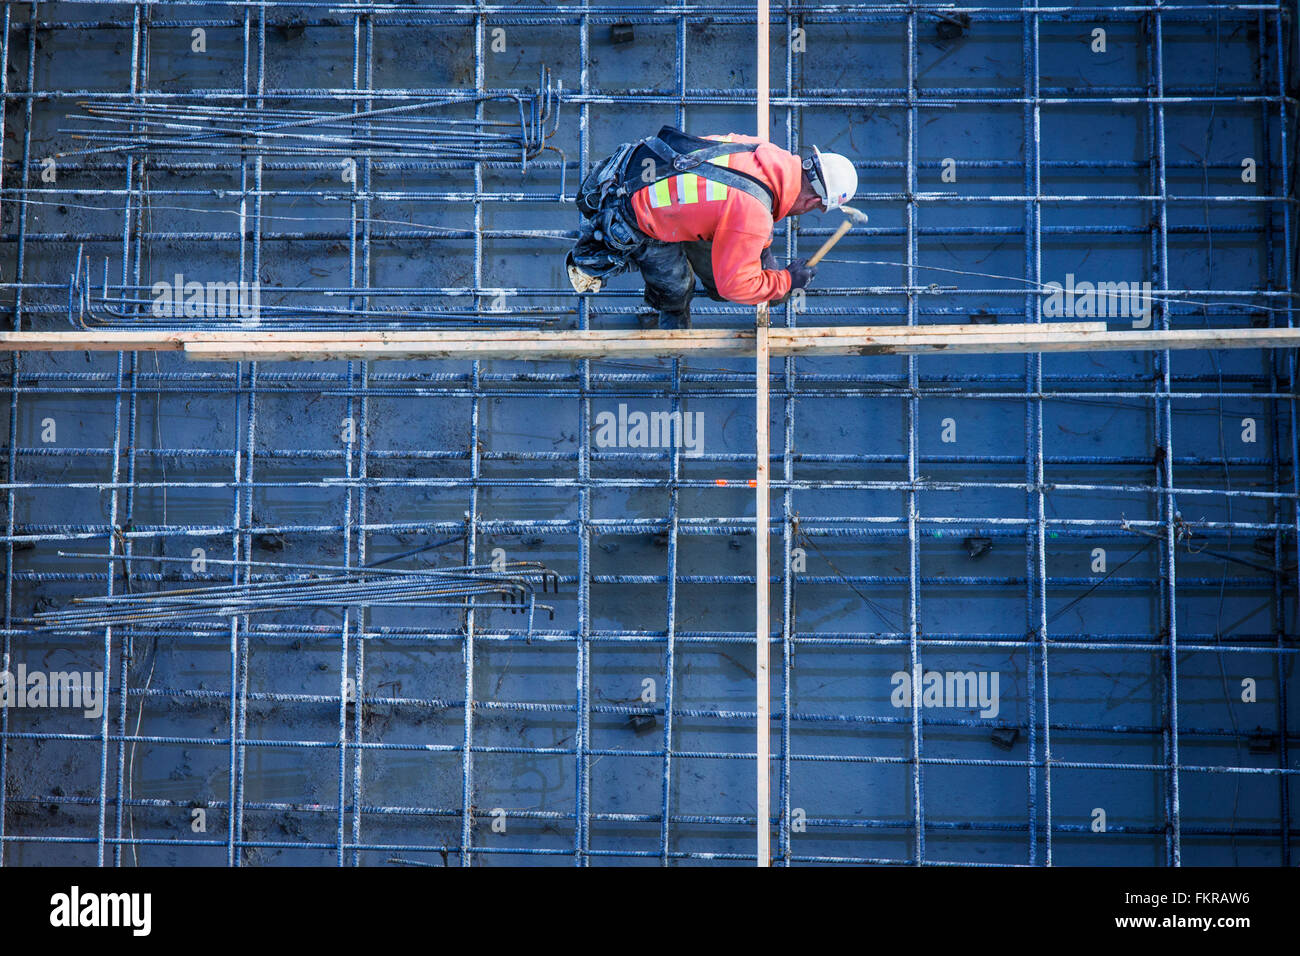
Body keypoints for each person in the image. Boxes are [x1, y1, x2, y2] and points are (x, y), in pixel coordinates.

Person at [566, 126, 858, 328]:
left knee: (726, 269)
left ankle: (705, 279)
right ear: (814, 203)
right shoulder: (753, 214)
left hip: (646, 171)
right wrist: (785, 282)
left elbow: (737, 201)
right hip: (636, 213)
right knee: (679, 287)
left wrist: (763, 254)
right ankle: (668, 314)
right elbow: (736, 285)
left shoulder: (767, 153)